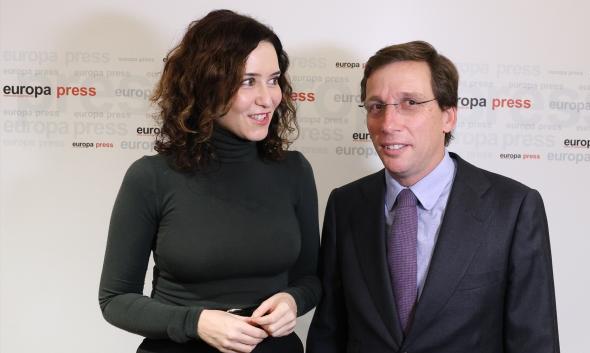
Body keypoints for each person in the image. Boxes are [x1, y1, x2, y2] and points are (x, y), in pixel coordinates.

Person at [306, 41, 560, 353]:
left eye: (410, 103)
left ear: (448, 116)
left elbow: (534, 342)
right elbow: (328, 335)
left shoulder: (513, 208)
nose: (388, 123)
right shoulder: (344, 206)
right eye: (376, 106)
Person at [99, 10, 321, 353]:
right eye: (248, 81)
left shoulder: (294, 171)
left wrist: (292, 301)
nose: (268, 98)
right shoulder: (151, 177)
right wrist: (196, 322)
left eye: (274, 79)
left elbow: (310, 279)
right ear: (206, 85)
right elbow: (115, 299)